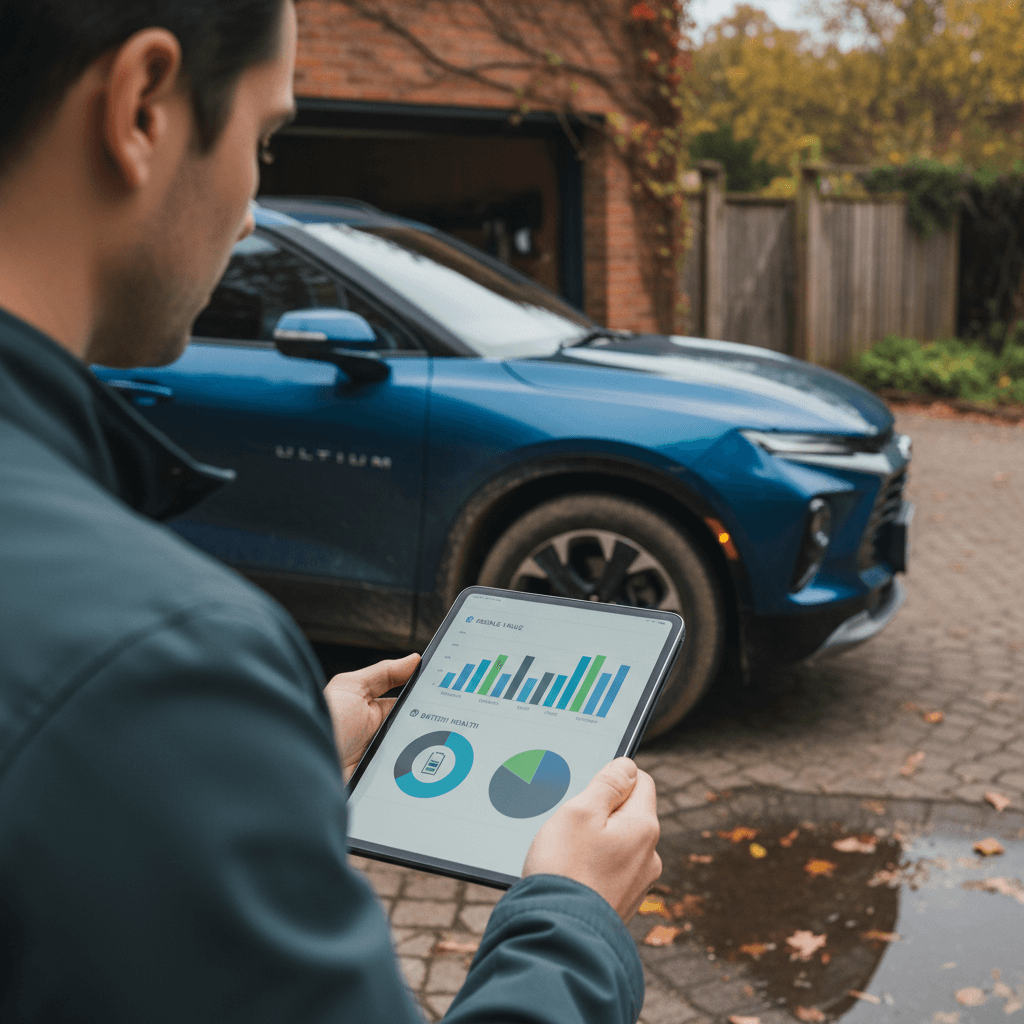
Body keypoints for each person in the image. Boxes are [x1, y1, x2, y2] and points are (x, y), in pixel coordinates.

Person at [0, 1, 664, 1021]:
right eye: (265, 139)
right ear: (140, 108)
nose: (250, 211)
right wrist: (573, 920)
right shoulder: (159, 657)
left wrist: (258, 760)